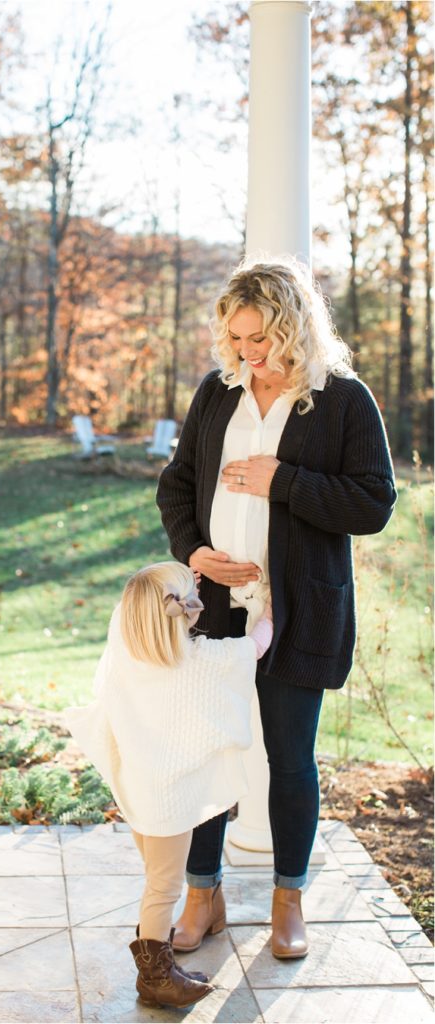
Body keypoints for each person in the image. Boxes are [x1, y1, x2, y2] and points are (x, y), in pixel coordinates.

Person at [156, 258, 396, 960]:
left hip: (297, 610)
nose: (246, 352)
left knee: (289, 758)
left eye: (259, 337)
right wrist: (195, 553)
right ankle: (203, 895)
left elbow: (373, 503)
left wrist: (282, 481)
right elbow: (177, 488)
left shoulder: (343, 400)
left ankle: (287, 901)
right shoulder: (217, 392)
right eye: (235, 339)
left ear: (294, 326)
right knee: (203, 753)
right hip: (214, 609)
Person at [65, 561, 272, 1009]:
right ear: (183, 610)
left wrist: (174, 589)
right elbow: (253, 649)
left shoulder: (125, 650)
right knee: (162, 888)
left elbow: (131, 609)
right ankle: (155, 978)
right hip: (169, 802)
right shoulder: (197, 661)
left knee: (155, 879)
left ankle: (159, 968)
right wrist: (270, 614)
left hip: (139, 792)